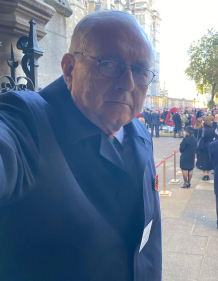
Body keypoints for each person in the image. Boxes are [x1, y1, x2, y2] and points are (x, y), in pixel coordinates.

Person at [0, 10, 161, 281]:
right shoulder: (27, 122)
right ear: (69, 69)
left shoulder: (140, 132)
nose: (128, 83)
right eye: (110, 64)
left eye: (140, 70)